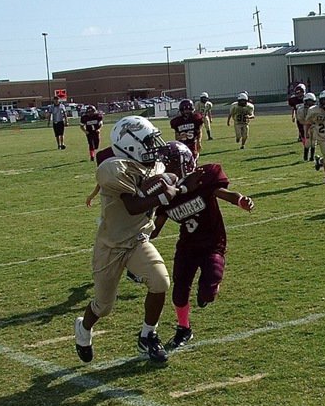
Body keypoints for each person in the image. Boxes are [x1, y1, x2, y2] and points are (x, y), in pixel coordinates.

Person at [74, 115, 177, 364]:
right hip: (110, 245)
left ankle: (147, 335)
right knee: (103, 306)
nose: (155, 146)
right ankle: (83, 328)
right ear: (130, 144)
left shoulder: (154, 167)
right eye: (149, 142)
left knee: (161, 281)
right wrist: (164, 195)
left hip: (138, 241)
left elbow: (164, 185)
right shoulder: (112, 169)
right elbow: (133, 205)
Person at [151, 142, 254, 349]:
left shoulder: (202, 178)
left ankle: (207, 293)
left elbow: (226, 194)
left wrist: (241, 200)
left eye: (166, 163)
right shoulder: (166, 194)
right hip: (187, 246)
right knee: (179, 291)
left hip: (212, 243)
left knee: (209, 287)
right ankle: (184, 328)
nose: (161, 168)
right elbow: (155, 227)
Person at [296, 92, 317, 162]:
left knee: (314, 141)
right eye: (308, 101)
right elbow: (300, 120)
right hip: (306, 126)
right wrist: (307, 123)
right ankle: (305, 157)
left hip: (314, 126)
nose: (310, 103)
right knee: (307, 142)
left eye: (311, 101)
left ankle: (312, 157)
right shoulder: (301, 109)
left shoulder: (316, 108)